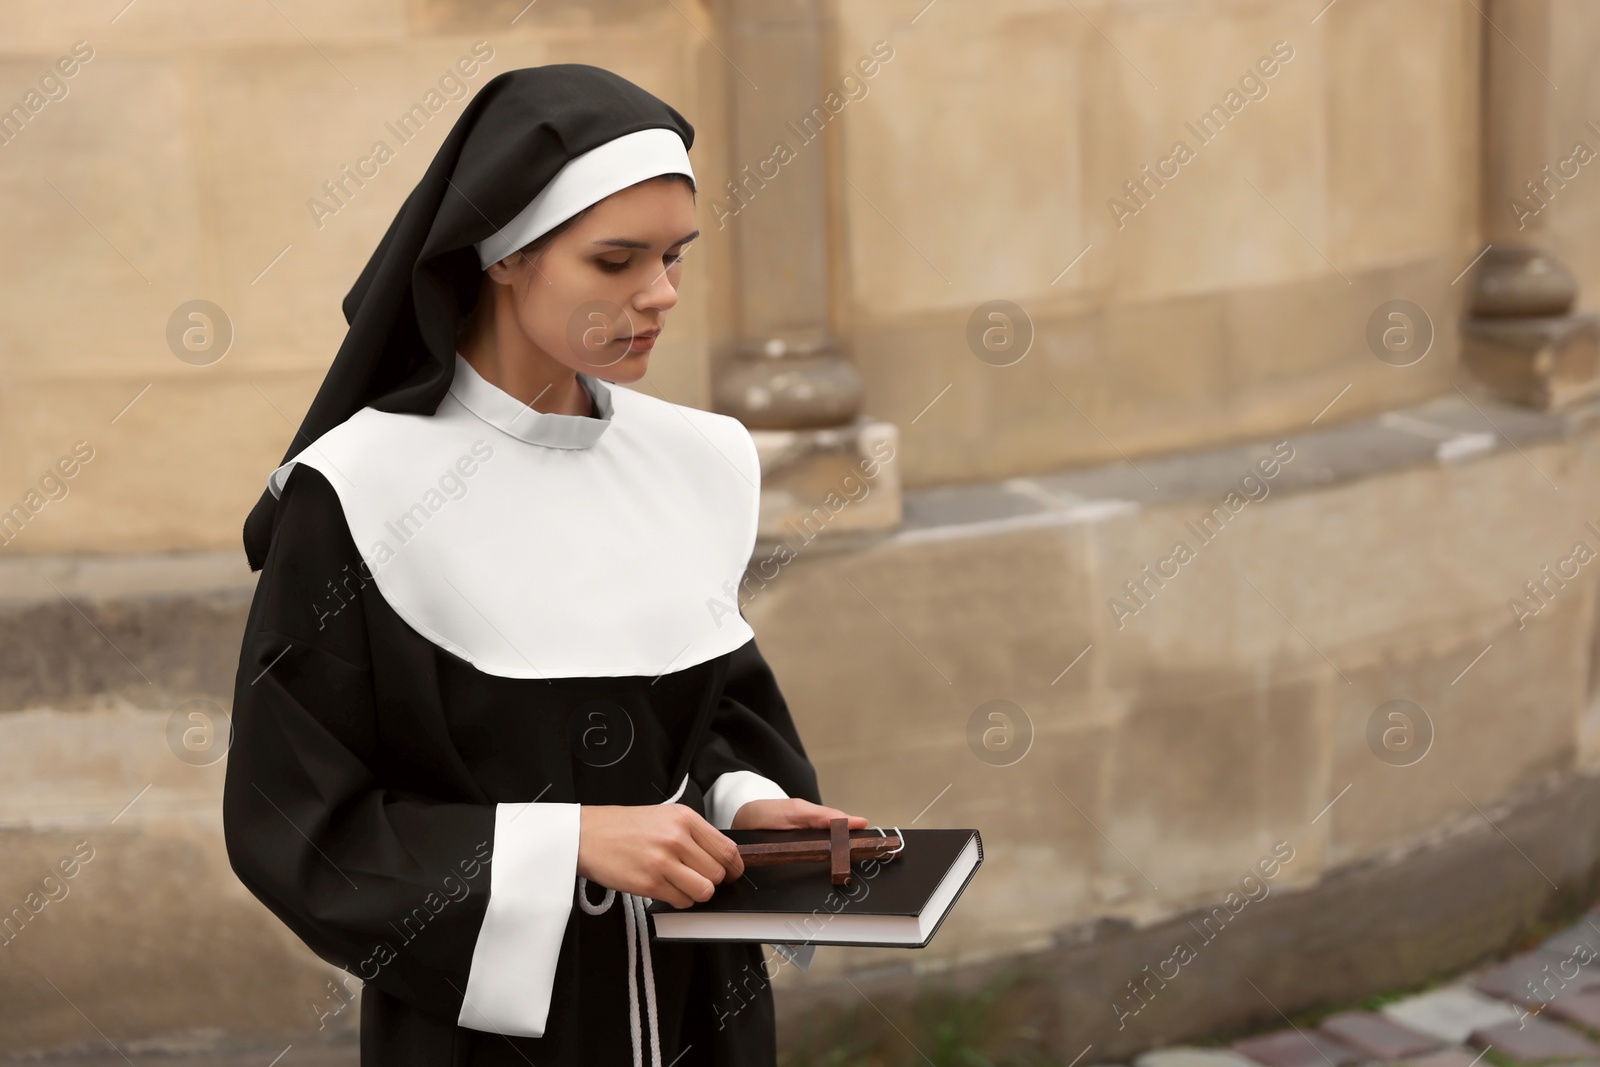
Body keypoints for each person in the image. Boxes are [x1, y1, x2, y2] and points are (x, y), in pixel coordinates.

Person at [222, 63, 865, 1067]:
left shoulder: (690, 459)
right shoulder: (357, 492)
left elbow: (714, 714)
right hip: (489, 1035)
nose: (659, 295)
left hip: (707, 1007)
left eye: (674, 256)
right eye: (615, 260)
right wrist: (560, 843)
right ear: (504, 258)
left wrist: (747, 802)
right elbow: (298, 821)